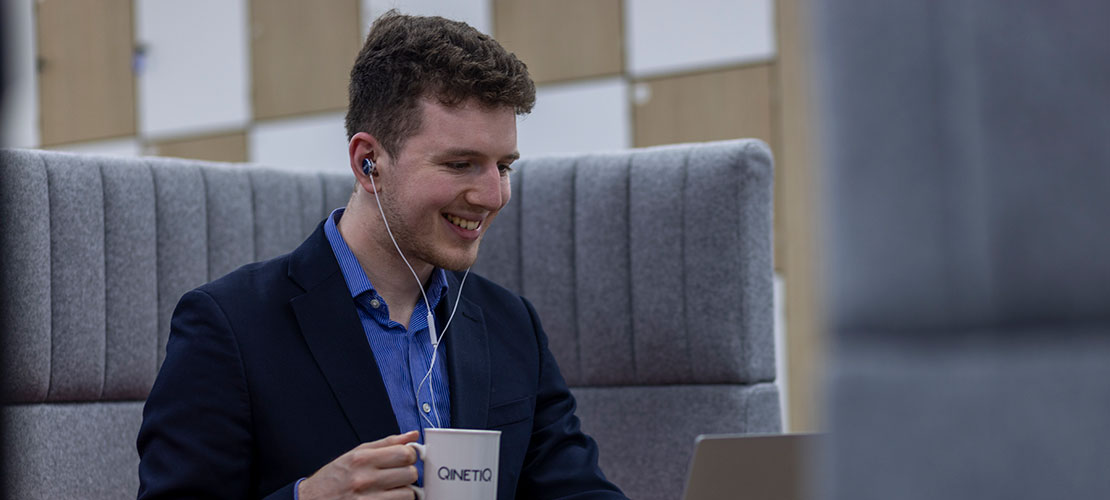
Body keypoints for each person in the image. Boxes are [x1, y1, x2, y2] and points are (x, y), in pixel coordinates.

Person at [136, 11, 627, 500]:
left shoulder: (511, 324)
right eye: (461, 164)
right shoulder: (229, 326)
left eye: (503, 167)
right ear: (367, 162)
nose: (492, 196)